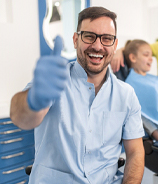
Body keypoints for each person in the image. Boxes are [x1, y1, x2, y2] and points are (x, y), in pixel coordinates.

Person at [10, 7, 145, 184]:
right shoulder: (55, 80)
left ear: (115, 44)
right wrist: (34, 99)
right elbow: (20, 117)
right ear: (75, 40)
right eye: (89, 36)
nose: (97, 46)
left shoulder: (126, 95)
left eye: (106, 39)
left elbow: (135, 151)